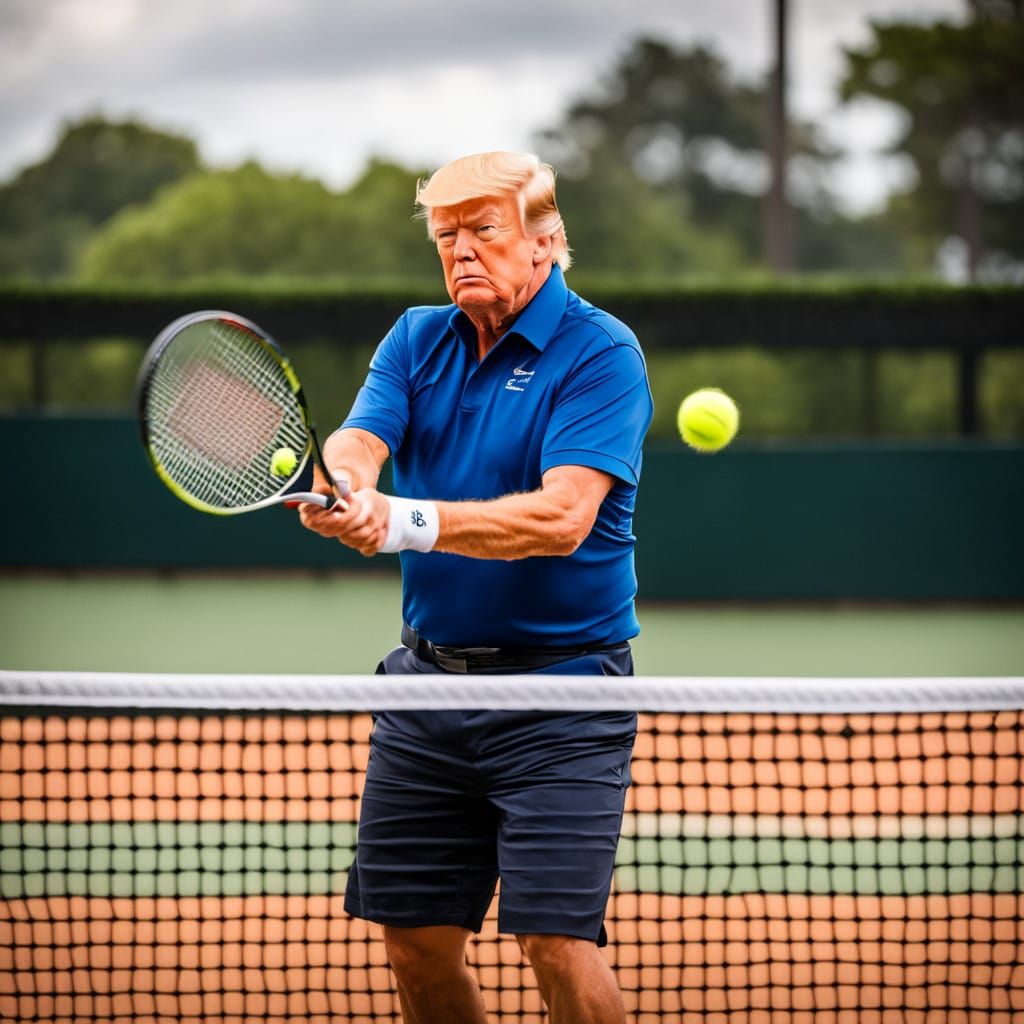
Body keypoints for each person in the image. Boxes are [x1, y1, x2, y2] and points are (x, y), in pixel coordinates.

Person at [298, 151, 653, 1024]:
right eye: (445, 235)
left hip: (563, 699)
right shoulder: (415, 337)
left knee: (557, 944)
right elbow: (361, 437)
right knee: (416, 947)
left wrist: (402, 520)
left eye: (483, 230)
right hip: (426, 695)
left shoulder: (602, 352)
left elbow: (561, 519)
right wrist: (349, 483)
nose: (460, 250)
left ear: (545, 241)